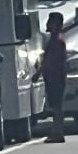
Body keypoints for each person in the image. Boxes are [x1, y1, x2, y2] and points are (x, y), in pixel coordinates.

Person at [33, 12, 68, 144]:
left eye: (50, 21)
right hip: (54, 77)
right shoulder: (55, 41)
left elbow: (50, 61)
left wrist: (38, 73)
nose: (47, 24)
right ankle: (57, 131)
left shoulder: (57, 42)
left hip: (56, 77)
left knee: (57, 106)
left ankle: (58, 132)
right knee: (55, 105)